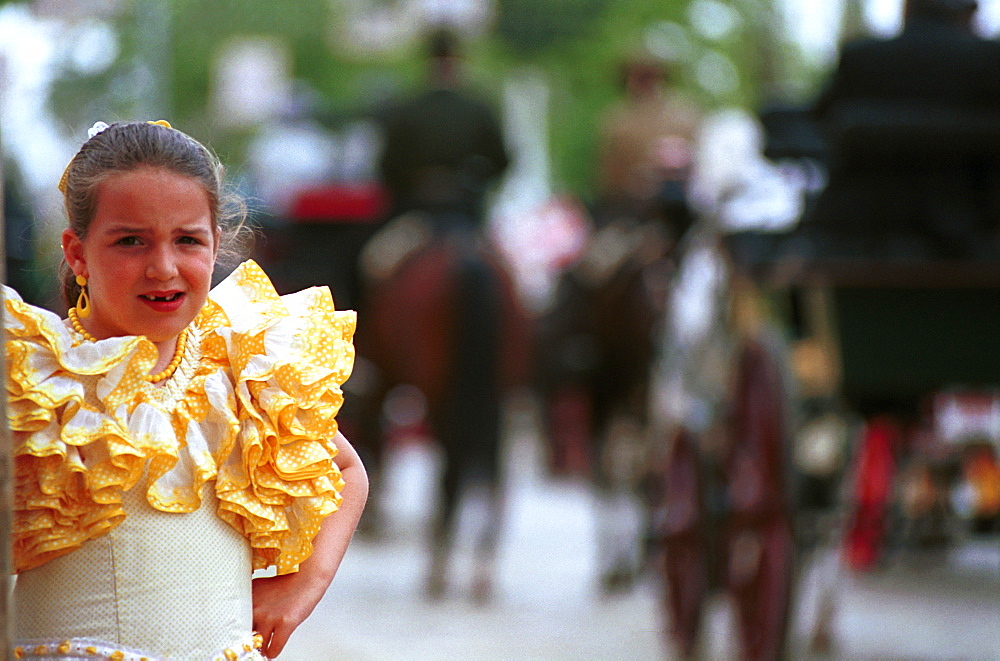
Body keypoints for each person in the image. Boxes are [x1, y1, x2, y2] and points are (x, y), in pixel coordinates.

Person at [6, 120, 368, 660]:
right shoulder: (37, 382)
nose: (163, 267)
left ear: (216, 244)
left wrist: (302, 585)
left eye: (188, 240)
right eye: (130, 241)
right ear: (78, 254)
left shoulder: (244, 370)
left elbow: (345, 470)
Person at [807, 0, 1000, 258]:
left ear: (907, 9)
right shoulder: (989, 60)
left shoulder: (861, 58)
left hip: (860, 240)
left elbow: (814, 122)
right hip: (980, 238)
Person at [377, 28, 509, 230]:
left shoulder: (405, 109)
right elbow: (501, 161)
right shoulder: (477, 109)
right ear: (458, 60)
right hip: (463, 208)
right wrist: (472, 180)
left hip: (413, 211)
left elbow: (388, 166)